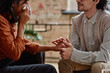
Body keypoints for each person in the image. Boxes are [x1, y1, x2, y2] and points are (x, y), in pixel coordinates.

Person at [0, 0, 62, 73]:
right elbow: (15, 54)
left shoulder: (10, 19)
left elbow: (24, 44)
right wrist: (22, 25)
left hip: (8, 61)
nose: (28, 7)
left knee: (37, 54)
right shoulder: (1, 22)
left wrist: (53, 48)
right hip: (2, 66)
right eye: (25, 3)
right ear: (12, 4)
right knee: (49, 69)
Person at [52, 0, 110, 73]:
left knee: (97, 66)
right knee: (63, 62)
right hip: (89, 60)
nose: (77, 0)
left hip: (107, 61)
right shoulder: (76, 21)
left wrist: (73, 54)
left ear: (96, 0)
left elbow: (105, 56)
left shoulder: (108, 20)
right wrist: (66, 47)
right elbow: (73, 50)